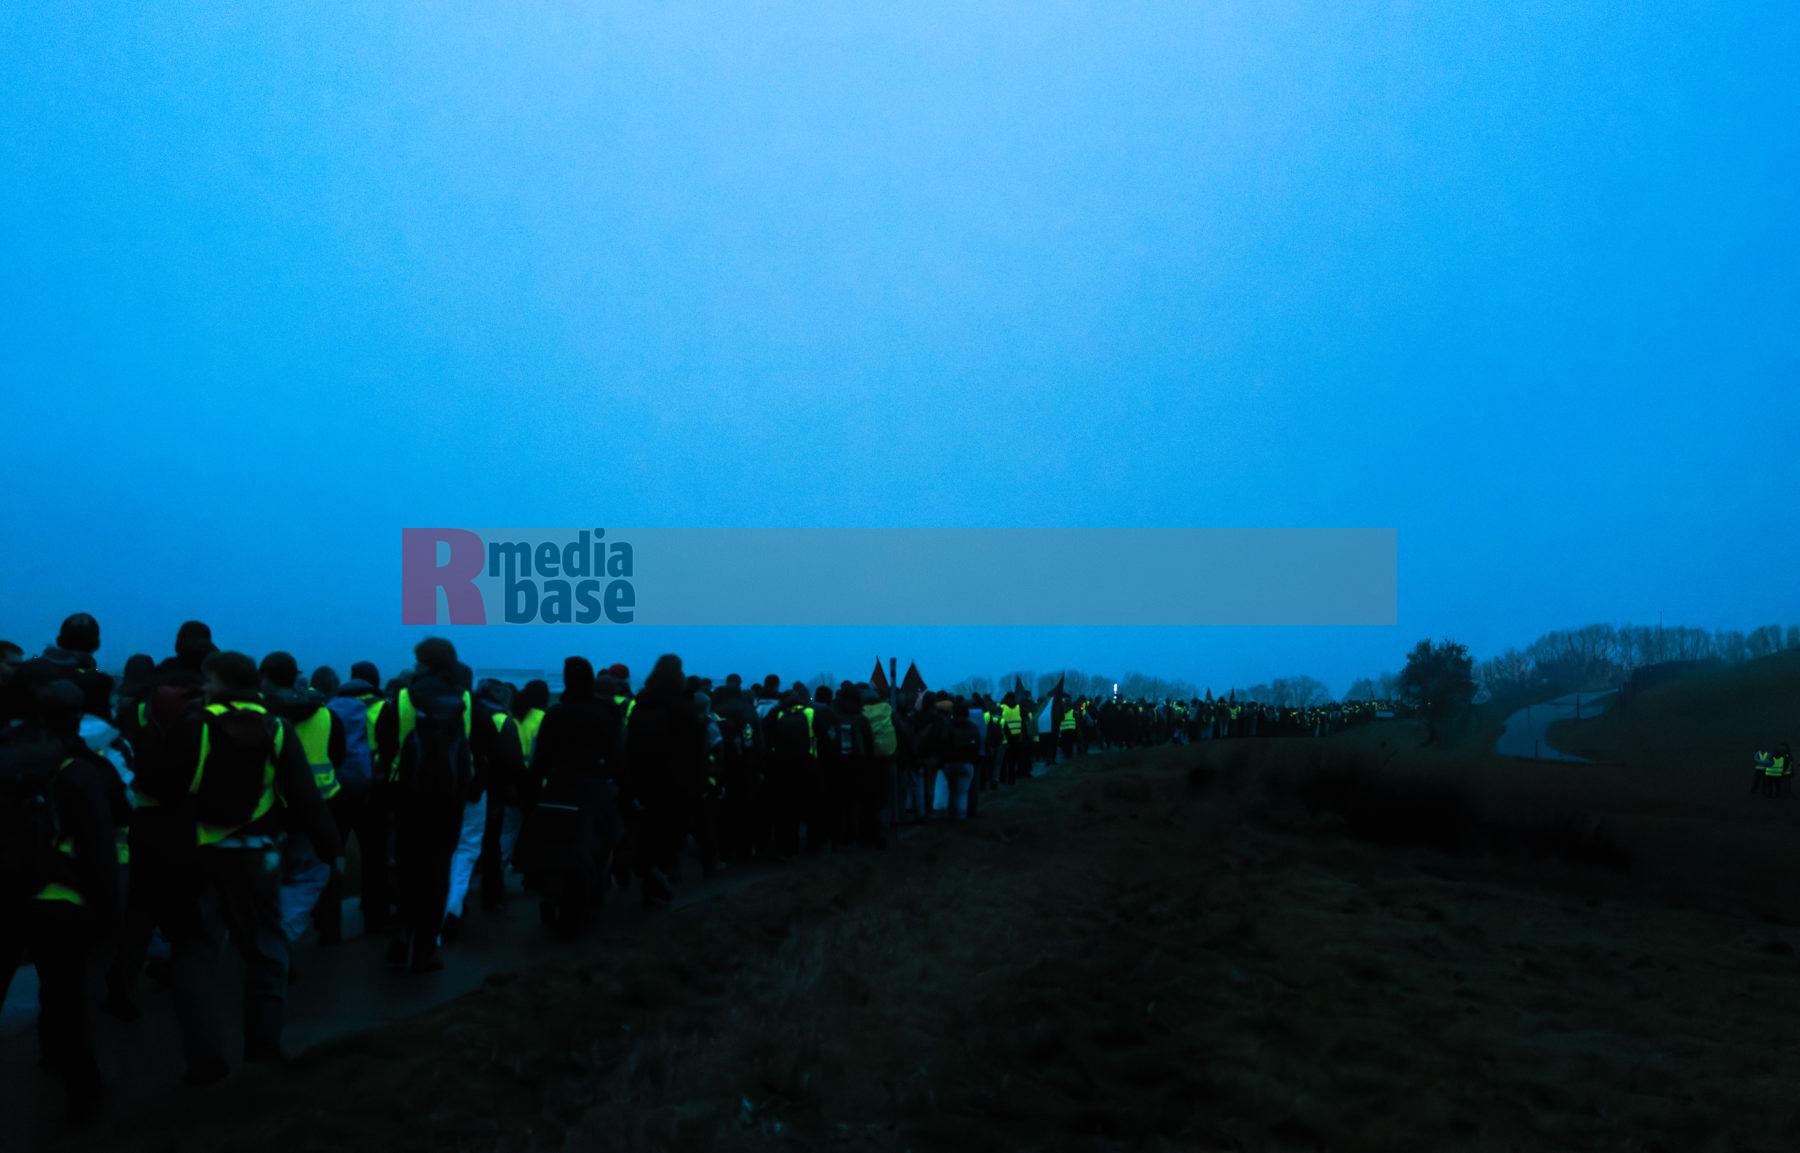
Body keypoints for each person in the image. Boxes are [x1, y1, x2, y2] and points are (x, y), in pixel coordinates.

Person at [136, 650, 342, 1084]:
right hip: (254, 855)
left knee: (195, 954)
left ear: (215, 681)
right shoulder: (276, 727)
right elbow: (304, 795)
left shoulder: (194, 723)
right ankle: (265, 1050)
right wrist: (330, 847)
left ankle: (205, 1062)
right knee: (266, 949)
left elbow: (160, 788)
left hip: (196, 855)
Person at [0, 681, 124, 1123]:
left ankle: (56, 1061)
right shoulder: (80, 769)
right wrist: (110, 910)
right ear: (78, 714)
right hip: (59, 896)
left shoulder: (12, 761)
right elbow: (99, 847)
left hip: (9, 894)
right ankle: (82, 1097)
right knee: (68, 996)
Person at [372, 638, 486, 973]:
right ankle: (425, 950)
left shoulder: (402, 699)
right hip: (449, 800)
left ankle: (401, 936)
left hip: (408, 798)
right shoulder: (466, 699)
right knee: (438, 872)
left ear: (422, 664)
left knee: (407, 868)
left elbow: (384, 744)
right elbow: (480, 747)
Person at [516, 657, 625, 936]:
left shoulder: (555, 713)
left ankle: (551, 894)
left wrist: (532, 791)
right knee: (597, 847)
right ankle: (589, 900)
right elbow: (616, 759)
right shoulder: (604, 715)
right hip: (592, 790)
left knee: (553, 846)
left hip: (557, 789)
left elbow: (540, 757)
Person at [261, 652, 346, 951]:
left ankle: (267, 941)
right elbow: (337, 756)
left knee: (269, 880)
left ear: (264, 677)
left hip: (271, 810)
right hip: (318, 807)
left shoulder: (261, 717)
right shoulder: (326, 715)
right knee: (313, 874)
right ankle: (289, 938)